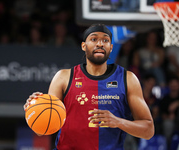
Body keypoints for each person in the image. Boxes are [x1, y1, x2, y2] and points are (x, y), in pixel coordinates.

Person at [24, 24, 154, 150]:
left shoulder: (127, 79)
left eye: (105, 40)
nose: (100, 44)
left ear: (111, 47)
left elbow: (148, 130)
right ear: (83, 46)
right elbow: (44, 129)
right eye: (94, 39)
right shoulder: (63, 77)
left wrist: (118, 122)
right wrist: (34, 110)